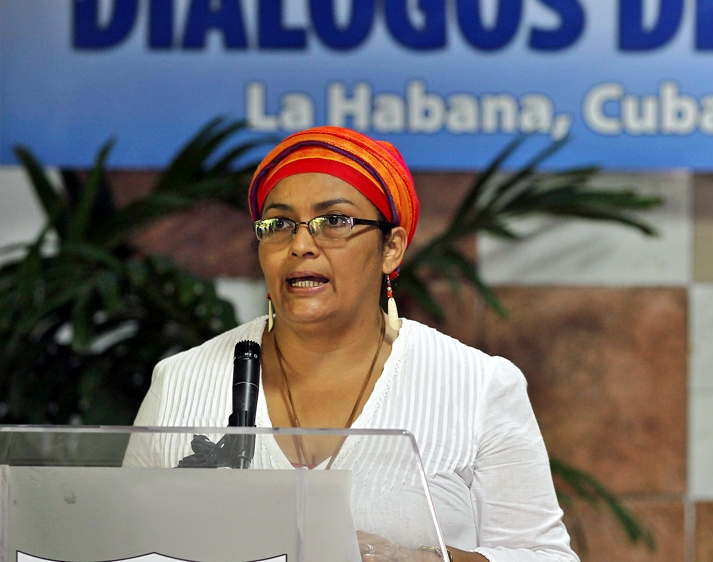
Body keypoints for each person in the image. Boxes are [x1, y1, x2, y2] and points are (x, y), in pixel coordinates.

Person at [123, 127, 578, 562]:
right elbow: (121, 541)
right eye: (279, 224)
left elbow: (545, 557)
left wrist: (431, 561)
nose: (301, 244)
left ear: (391, 248)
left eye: (335, 221)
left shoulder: (477, 386)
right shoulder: (181, 382)